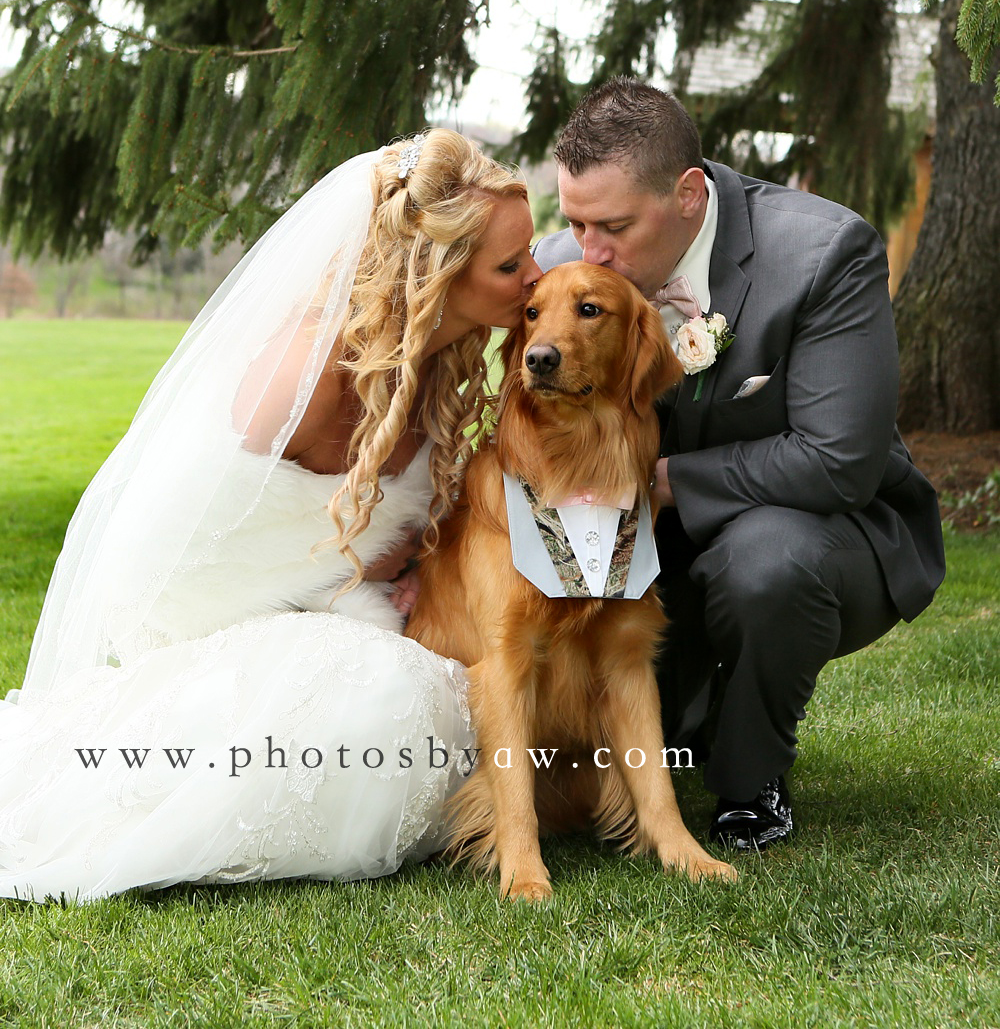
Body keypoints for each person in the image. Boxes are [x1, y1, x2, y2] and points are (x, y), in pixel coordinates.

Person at [0, 129, 540, 902]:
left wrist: (412, 571)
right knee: (388, 703)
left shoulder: (439, 365)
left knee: (454, 690)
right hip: (202, 620)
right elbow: (177, 563)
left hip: (340, 607)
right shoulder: (299, 380)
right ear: (436, 273)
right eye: (510, 266)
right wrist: (347, 585)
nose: (535, 278)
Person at [534, 77, 945, 851]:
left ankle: (750, 783)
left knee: (769, 563)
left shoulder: (825, 253)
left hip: (818, 535)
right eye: (575, 222)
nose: (590, 253)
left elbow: (838, 462)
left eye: (614, 225)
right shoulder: (562, 266)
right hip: (638, 549)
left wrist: (659, 484)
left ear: (688, 194)